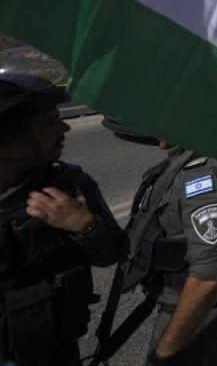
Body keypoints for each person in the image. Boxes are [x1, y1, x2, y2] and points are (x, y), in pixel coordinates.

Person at [104, 138, 217, 365]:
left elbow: (210, 276)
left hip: (201, 309)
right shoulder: (206, 157)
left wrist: (165, 352)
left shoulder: (205, 174)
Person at [0, 73, 125, 366]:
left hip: (51, 350)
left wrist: (85, 226)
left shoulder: (70, 185)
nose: (65, 127)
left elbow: (113, 253)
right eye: (48, 123)